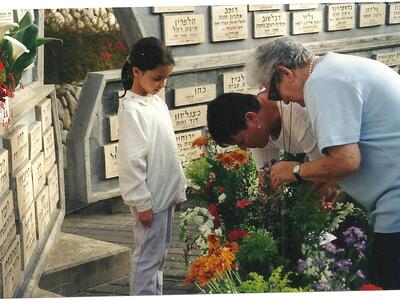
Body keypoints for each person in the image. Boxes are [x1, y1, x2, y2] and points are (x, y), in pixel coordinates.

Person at [247, 36, 400, 290]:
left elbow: (347, 161)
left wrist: (295, 171)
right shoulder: (334, 68)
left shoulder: (321, 83)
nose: (283, 101)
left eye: (274, 92)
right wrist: (324, 175)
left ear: (285, 73)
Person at [117, 37, 187, 295]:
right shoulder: (131, 110)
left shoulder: (155, 101)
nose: (162, 84)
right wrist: (141, 202)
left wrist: (177, 190)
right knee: (147, 259)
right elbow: (130, 160)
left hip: (164, 196)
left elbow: (167, 149)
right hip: (150, 200)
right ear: (136, 72)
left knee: (159, 257)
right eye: (157, 78)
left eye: (165, 78)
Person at [206, 90, 338, 203]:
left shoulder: (297, 115)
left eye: (241, 141)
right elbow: (267, 180)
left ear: (251, 118)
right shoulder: (258, 127)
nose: (244, 148)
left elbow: (328, 173)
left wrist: (295, 170)